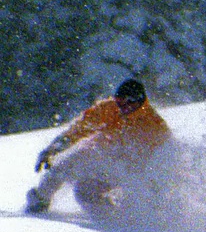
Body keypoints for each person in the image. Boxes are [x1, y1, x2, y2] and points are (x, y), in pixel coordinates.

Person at [27, 79, 171, 214]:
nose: (121, 108)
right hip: (101, 155)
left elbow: (160, 164)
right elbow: (78, 129)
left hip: (128, 170)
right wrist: (53, 149)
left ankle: (125, 220)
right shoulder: (108, 108)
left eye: (126, 103)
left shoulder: (154, 126)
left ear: (138, 102)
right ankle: (40, 200)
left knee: (82, 159)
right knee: (83, 191)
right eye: (118, 102)